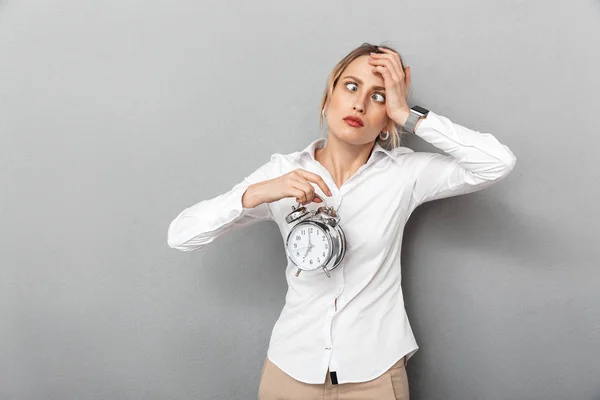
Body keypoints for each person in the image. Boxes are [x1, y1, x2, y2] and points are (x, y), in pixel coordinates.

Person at [167, 42, 517, 400]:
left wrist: (408, 113)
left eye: (378, 96)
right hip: (290, 373)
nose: (359, 104)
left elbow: (496, 163)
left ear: (387, 121)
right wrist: (255, 193)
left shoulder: (404, 175)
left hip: (375, 375)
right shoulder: (283, 173)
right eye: (351, 86)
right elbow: (180, 235)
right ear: (327, 98)